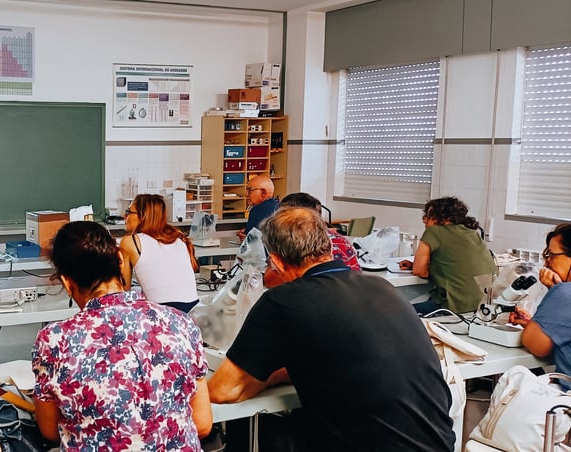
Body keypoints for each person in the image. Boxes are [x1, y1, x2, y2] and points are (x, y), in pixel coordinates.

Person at [209, 207, 455, 451]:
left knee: (247, 428)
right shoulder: (382, 288)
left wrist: (269, 378)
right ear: (328, 247)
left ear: (276, 262)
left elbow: (222, 390)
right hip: (439, 444)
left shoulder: (284, 300)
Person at [31, 221, 212, 449]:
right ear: (120, 259)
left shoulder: (55, 340)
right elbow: (202, 424)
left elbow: (50, 431)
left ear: (67, 283)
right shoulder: (180, 323)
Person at [399, 196, 495, 314]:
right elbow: (457, 264)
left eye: (429, 216)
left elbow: (419, 271)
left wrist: (419, 266)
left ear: (445, 218)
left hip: (458, 305)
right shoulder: (472, 232)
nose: (424, 220)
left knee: (399, 312)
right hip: (486, 304)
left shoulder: (433, 232)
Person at [119, 194, 200, 313]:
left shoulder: (130, 241)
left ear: (143, 216)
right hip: (193, 310)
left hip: (163, 314)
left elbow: (123, 291)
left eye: (128, 212)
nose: (124, 216)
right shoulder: (177, 238)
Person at [510, 223, 571, 380]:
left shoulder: (563, 293)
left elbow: (536, 346)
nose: (546, 263)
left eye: (551, 255)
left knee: (514, 378)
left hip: (566, 391)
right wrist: (537, 325)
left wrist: (555, 291)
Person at [237, 175, 278, 241]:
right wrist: (246, 231)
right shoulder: (279, 207)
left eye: (250, 190)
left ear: (263, 192)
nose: (246, 194)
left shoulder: (257, 210)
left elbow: (252, 241)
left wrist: (247, 235)